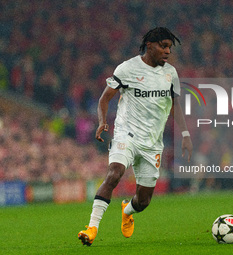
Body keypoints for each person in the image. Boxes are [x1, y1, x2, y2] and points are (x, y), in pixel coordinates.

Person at [78, 27, 193, 246]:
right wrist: (102, 121)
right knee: (114, 173)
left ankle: (127, 211)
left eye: (169, 47)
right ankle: (91, 228)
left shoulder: (171, 73)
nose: (168, 51)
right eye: (163, 46)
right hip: (126, 134)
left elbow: (175, 104)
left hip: (152, 143)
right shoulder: (127, 68)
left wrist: (185, 134)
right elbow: (104, 99)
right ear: (149, 45)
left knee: (143, 201)